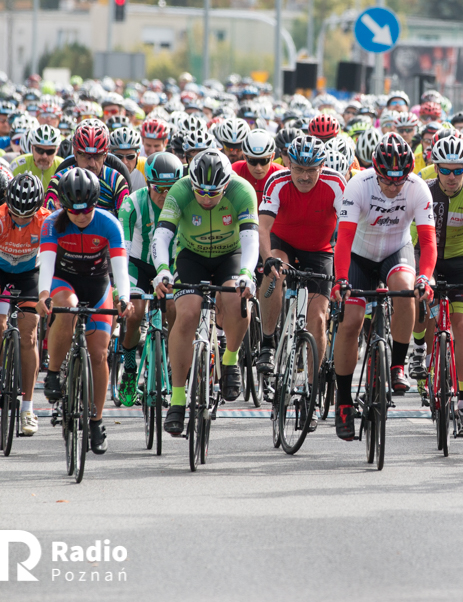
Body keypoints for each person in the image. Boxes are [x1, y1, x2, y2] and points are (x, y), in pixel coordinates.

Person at [330, 133, 436, 440]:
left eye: (398, 181)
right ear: (375, 172)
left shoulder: (417, 189)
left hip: (395, 251)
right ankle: (344, 401)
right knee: (350, 322)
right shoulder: (358, 185)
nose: (392, 187)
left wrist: (425, 277)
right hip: (359, 256)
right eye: (386, 181)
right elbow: (345, 237)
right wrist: (341, 278)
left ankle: (397, 366)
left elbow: (428, 242)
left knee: (405, 290)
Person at [152, 149, 259, 435]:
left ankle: (231, 359)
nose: (207, 199)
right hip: (191, 256)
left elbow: (251, 240)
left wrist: (248, 274)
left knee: (237, 298)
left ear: (227, 185)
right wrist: (162, 269)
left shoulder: (242, 190)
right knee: (186, 314)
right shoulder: (180, 189)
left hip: (230, 255)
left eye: (215, 194)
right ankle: (176, 400)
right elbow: (161, 235)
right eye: (201, 193)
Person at [37, 168, 133, 455]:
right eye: (73, 210)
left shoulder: (109, 224)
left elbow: (120, 269)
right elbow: (47, 264)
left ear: (96, 203)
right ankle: (53, 373)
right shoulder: (53, 223)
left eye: (87, 209)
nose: (80, 216)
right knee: (66, 307)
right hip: (63, 280)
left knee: (99, 354)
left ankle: (95, 421)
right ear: (64, 206)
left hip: (98, 284)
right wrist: (43, 295)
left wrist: (124, 298)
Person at [256, 136, 346, 419]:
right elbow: (263, 227)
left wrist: (345, 270)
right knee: (274, 274)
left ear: (322, 166)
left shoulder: (336, 184)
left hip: (320, 251)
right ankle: (268, 343)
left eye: (311, 170)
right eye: (298, 169)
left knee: (318, 318)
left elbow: (346, 230)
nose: (304, 176)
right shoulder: (278, 182)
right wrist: (267, 258)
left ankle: (311, 386)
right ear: (287, 164)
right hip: (284, 244)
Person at [407, 135, 463, 438]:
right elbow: (407, 231)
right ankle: (418, 347)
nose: (453, 177)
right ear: (436, 167)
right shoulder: (422, 190)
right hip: (423, 254)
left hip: (460, 259)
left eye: (459, 170)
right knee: (418, 298)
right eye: (446, 170)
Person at [0, 172, 48, 436]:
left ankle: (27, 408)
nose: (20, 220)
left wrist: (47, 292)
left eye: (27, 215)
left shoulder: (46, 220)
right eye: (16, 213)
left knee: (28, 337)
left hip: (29, 274)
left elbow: (52, 259)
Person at [116, 153, 183, 401]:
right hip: (138, 263)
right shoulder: (132, 204)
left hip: (172, 263)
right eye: (159, 188)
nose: (165, 194)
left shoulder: (184, 203)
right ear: (148, 183)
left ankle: (171, 364)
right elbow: (121, 248)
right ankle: (130, 370)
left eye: (171, 188)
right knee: (135, 313)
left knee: (174, 308)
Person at [46, 123, 130, 215]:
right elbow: (49, 219)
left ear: (105, 156)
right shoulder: (58, 181)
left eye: (97, 156)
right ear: (75, 154)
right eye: (85, 156)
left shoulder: (117, 181)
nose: (91, 163)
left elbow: (124, 220)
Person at [232, 128, 279, 198]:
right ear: (244, 157)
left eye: (264, 161)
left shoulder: (281, 175)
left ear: (272, 156)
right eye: (252, 161)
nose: (258, 168)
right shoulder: (234, 171)